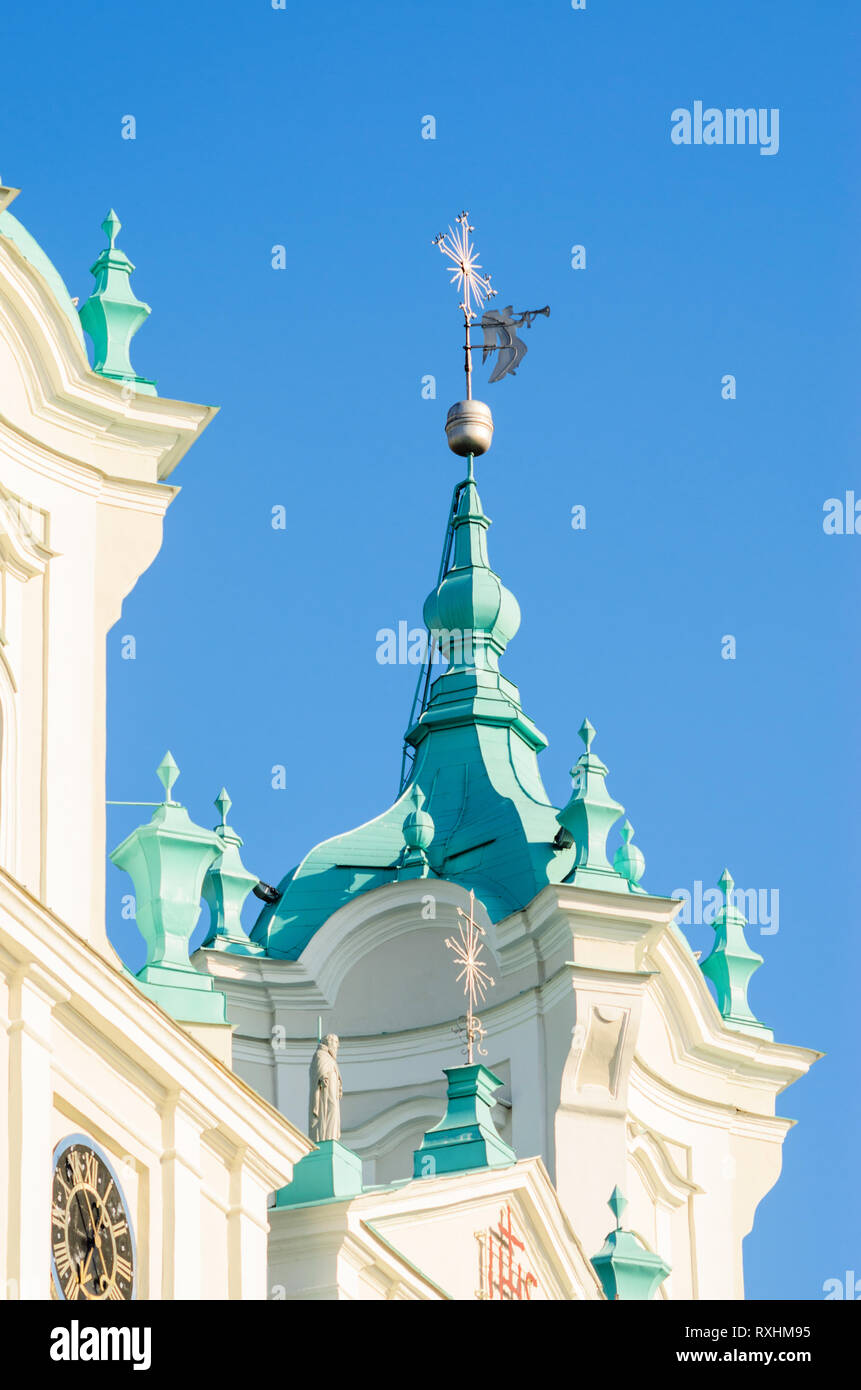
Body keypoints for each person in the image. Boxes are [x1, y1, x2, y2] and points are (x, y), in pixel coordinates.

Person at [309, 1033, 342, 1142]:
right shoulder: (320, 1054)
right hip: (325, 1089)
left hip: (332, 1089)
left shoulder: (330, 1058)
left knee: (334, 1109)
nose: (337, 1046)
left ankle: (331, 1135)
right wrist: (322, 1076)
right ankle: (325, 1135)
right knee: (329, 1108)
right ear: (329, 1042)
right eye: (336, 1042)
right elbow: (317, 1070)